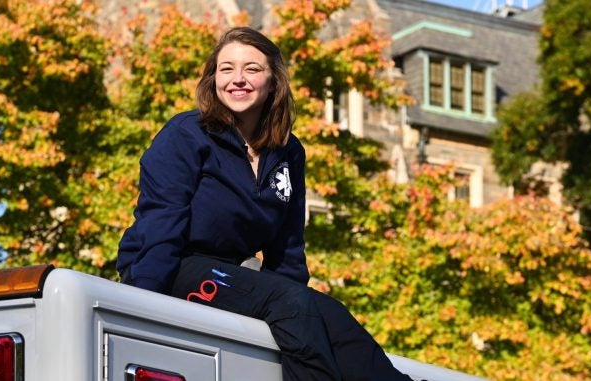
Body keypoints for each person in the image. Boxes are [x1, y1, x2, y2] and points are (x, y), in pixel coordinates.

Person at [117, 26, 413, 381]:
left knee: (331, 315)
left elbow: (286, 249)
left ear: (273, 81)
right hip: (171, 265)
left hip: (233, 273)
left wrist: (299, 309)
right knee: (292, 304)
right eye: (226, 69)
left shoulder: (288, 152)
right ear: (213, 79)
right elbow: (160, 223)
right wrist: (142, 307)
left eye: (252, 69)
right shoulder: (186, 135)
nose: (237, 79)